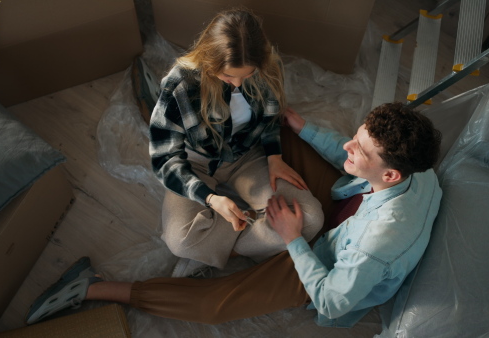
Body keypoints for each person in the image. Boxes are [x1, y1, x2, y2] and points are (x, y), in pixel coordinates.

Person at [26, 102, 443, 328]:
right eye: (355, 137)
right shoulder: (415, 174)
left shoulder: (378, 246)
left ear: (389, 173)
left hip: (327, 263)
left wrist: (294, 238)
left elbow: (333, 302)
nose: (348, 146)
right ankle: (181, 109)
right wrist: (306, 130)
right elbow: (353, 157)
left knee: (215, 305)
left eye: (359, 149)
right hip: (344, 210)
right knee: (276, 125)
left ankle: (94, 288)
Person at [148, 8, 323, 277]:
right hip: (195, 161)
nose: (238, 84)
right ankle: (248, 238)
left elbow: (271, 118)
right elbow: (164, 158)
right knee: (179, 240)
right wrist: (209, 198)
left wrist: (275, 157)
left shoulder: (269, 67)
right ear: (209, 59)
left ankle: (228, 251)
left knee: (310, 217)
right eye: (229, 76)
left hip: (247, 156)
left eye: (247, 75)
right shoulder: (180, 83)